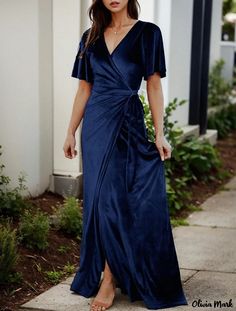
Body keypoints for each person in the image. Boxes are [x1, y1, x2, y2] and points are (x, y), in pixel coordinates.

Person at [63, 0, 188, 310]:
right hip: (96, 127)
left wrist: (159, 133)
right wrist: (70, 131)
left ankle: (109, 278)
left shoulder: (148, 34)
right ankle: (108, 275)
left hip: (128, 123)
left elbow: (154, 86)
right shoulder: (90, 36)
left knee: (117, 202)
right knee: (100, 202)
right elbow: (84, 89)